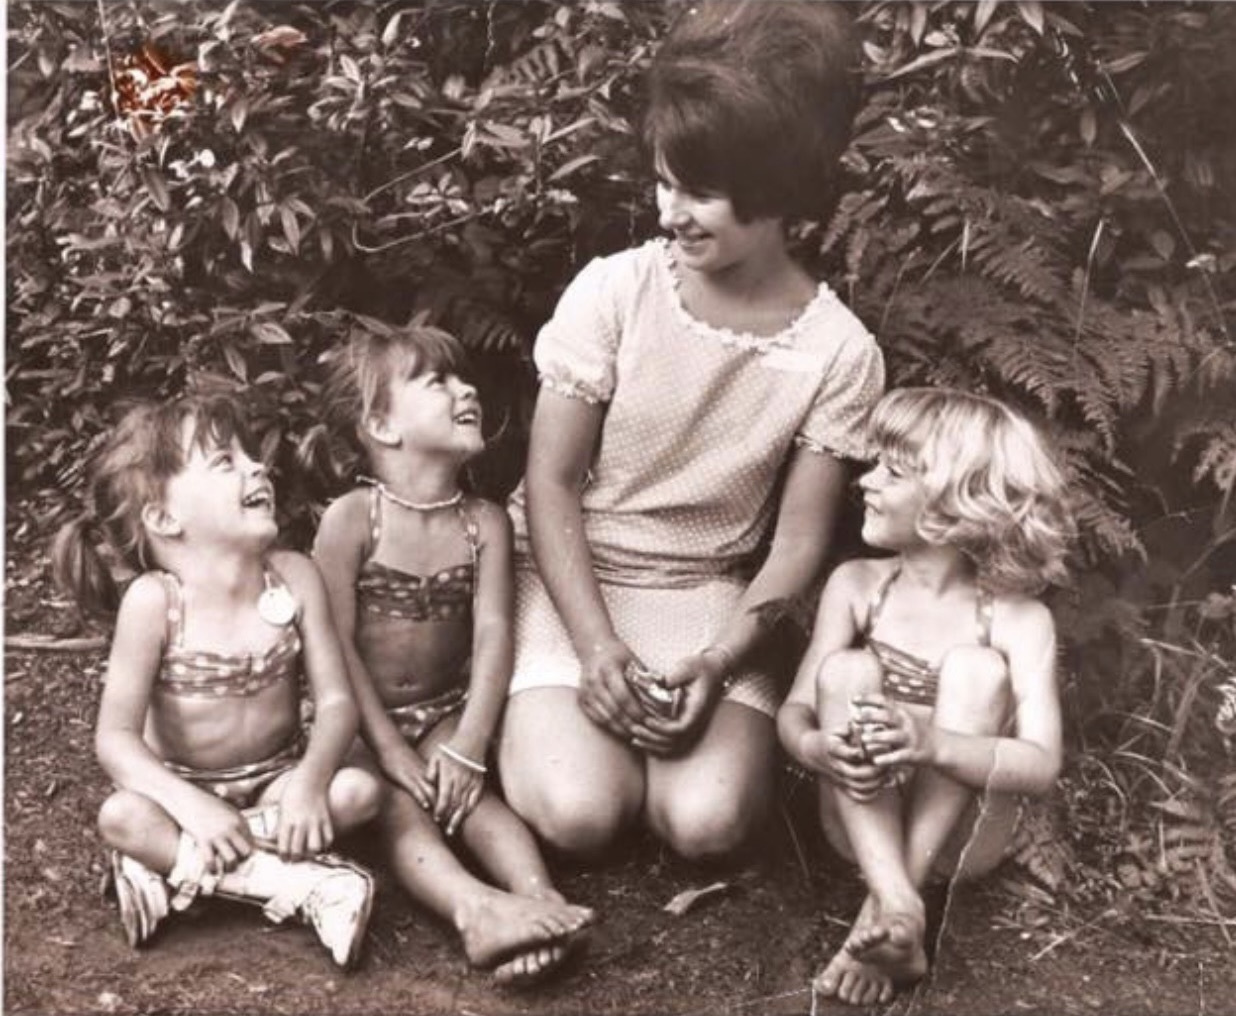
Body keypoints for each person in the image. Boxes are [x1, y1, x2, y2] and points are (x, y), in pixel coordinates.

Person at [498, 0, 884, 862]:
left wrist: (718, 660)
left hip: (710, 596)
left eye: (700, 193)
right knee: (580, 812)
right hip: (574, 577)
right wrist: (595, 648)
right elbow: (552, 484)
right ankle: (557, 713)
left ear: (781, 197)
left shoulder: (839, 352)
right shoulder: (615, 293)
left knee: (705, 823)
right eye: (665, 182)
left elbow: (794, 550)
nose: (671, 210)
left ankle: (679, 715)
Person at [51, 394, 383, 968]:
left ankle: (179, 871)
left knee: (358, 793)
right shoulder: (155, 602)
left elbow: (334, 703)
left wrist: (308, 781)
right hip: (179, 794)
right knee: (122, 817)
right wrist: (193, 808)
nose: (258, 467)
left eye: (251, 456)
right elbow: (116, 739)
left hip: (273, 785)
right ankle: (292, 883)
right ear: (163, 518)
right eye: (225, 461)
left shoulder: (295, 576)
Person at [310, 324, 595, 986]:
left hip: (444, 713)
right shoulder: (354, 520)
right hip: (359, 720)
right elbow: (334, 646)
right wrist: (386, 747)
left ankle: (540, 897)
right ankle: (473, 911)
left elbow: (496, 633)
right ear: (381, 424)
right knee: (401, 807)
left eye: (462, 378)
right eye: (436, 381)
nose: (465, 388)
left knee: (475, 801)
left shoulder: (484, 522)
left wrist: (469, 743)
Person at [778, 387, 1074, 1005]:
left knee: (975, 670)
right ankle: (903, 909)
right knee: (846, 673)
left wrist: (933, 744)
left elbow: (1042, 764)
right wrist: (815, 746)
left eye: (893, 470)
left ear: (953, 499)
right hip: (858, 818)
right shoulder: (857, 585)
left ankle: (891, 904)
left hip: (964, 837)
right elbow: (796, 711)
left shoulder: (1018, 620)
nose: (865, 481)